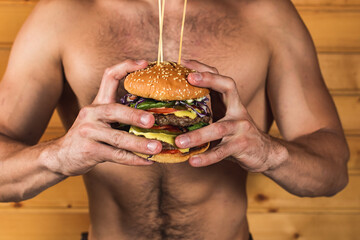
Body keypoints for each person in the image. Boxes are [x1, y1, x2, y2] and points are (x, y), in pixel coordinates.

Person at [0, 0, 349, 239]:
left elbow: (332, 174)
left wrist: (269, 153)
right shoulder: (63, 13)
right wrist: (59, 156)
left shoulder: (265, 12)